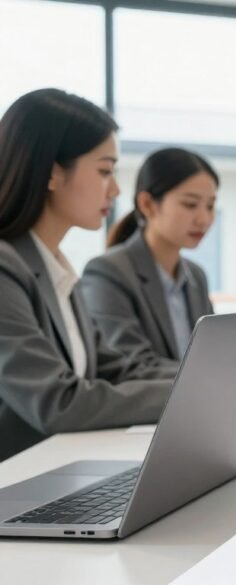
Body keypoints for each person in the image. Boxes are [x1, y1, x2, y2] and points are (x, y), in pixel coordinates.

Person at [0, 89, 176, 461]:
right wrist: (193, 393)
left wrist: (217, 379)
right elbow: (58, 401)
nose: (115, 189)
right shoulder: (5, 268)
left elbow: (115, 370)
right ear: (52, 172)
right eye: (104, 170)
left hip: (54, 469)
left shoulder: (56, 269)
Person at [80, 148, 218, 370]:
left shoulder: (196, 276)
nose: (204, 219)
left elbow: (212, 354)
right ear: (147, 204)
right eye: (190, 204)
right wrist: (211, 377)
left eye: (210, 206)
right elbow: (131, 364)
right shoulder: (108, 272)